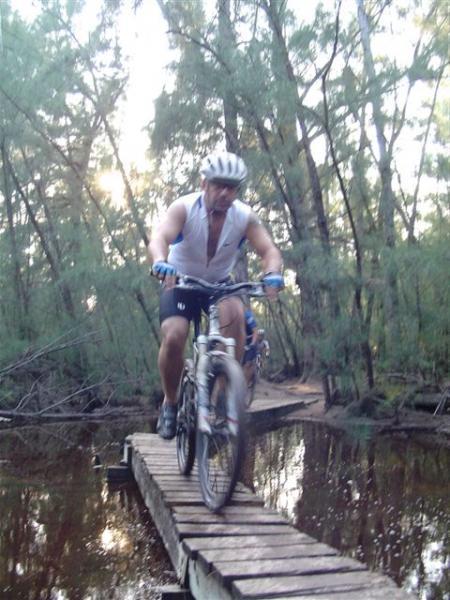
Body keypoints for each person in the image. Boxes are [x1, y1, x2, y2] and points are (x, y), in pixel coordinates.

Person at [148, 151, 284, 439]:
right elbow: (160, 237)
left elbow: (269, 250)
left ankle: (222, 394)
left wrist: (272, 272)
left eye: (231, 187)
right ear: (204, 184)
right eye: (218, 185)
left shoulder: (244, 217)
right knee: (175, 335)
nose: (225, 193)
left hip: (220, 284)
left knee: (234, 317)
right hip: (181, 281)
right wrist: (161, 261)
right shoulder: (184, 208)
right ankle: (170, 403)